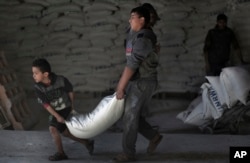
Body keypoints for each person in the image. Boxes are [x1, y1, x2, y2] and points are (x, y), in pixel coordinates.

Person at [113, 6, 163, 162]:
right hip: (137, 80)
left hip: (143, 81)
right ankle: (153, 136)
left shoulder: (144, 39)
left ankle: (128, 153)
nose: (130, 20)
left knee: (129, 117)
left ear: (143, 19)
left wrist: (121, 86)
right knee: (130, 115)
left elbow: (132, 65)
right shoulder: (134, 33)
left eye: (133, 16)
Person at [32, 58, 94, 161]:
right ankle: (87, 143)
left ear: (45, 74)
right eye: (33, 73)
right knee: (65, 132)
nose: (33, 75)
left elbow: (70, 91)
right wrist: (57, 116)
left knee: (53, 129)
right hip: (55, 111)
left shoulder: (61, 80)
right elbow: (46, 105)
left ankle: (61, 153)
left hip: (66, 108)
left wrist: (72, 106)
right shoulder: (38, 87)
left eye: (36, 73)